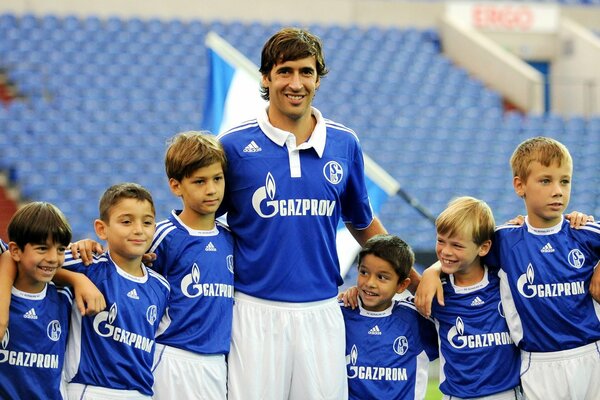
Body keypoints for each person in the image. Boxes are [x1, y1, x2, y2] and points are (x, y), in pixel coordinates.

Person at [216, 27, 420, 400]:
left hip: (322, 311)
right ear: (266, 77)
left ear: (318, 79)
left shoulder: (344, 143)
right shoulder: (232, 146)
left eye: (306, 72)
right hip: (253, 311)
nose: (296, 83)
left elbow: (362, 224)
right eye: (285, 71)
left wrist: (420, 283)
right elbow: (203, 222)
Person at [416, 137, 600, 400]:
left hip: (591, 354)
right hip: (537, 363)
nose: (558, 190)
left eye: (565, 181)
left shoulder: (584, 231)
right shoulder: (505, 240)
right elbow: (464, 251)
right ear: (519, 185)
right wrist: (434, 272)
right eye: (546, 181)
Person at [61, 182, 170, 399]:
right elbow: (30, 264)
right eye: (126, 221)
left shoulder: (161, 286)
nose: (138, 229)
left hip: (141, 393)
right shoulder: (87, 264)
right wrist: (76, 279)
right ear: (102, 229)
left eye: (147, 222)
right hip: (92, 389)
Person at [148, 131, 234, 399]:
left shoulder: (232, 239)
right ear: (176, 186)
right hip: (173, 358)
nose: (211, 189)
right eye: (199, 181)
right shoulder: (162, 237)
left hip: (217, 363)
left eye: (217, 179)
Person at [432, 196, 522, 400]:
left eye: (457, 245)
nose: (445, 251)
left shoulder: (506, 282)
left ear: (483, 247)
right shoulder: (435, 292)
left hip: (507, 394)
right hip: (457, 396)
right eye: (440, 241)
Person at [341, 234, 438, 400]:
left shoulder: (417, 318)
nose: (370, 283)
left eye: (382, 277)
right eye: (364, 272)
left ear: (402, 285)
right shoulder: (341, 314)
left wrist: (435, 271)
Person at [0, 202, 73, 399]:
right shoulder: (4, 299)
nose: (52, 258)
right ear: (15, 251)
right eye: (42, 248)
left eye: (60, 250)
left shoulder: (66, 300)